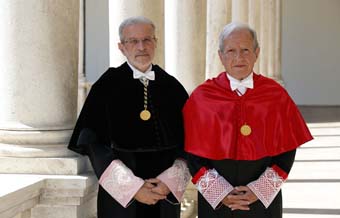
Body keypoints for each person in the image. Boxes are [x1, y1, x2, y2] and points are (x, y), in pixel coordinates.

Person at [183, 22, 313, 218]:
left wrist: (259, 190)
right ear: (220, 56)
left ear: (256, 52)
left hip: (262, 200)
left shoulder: (275, 94)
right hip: (216, 203)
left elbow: (287, 150)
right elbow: (191, 153)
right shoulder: (202, 97)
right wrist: (220, 192)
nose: (238, 57)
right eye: (231, 51)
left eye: (245, 50)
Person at [68, 16, 190, 218]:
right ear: (121, 47)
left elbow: (189, 142)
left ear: (156, 43)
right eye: (133, 41)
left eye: (147, 39)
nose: (141, 47)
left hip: (163, 195)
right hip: (121, 200)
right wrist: (134, 189)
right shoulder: (106, 87)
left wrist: (169, 182)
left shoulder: (172, 87)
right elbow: (95, 145)